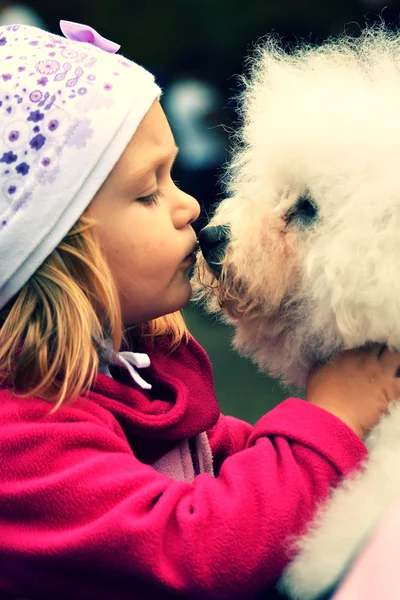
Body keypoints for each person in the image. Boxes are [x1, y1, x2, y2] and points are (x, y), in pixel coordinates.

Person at [0, 19, 400, 600]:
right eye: (148, 192)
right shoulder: (20, 440)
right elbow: (192, 548)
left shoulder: (122, 375)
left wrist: (288, 452)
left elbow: (217, 460)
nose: (189, 204)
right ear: (54, 248)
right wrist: (330, 419)